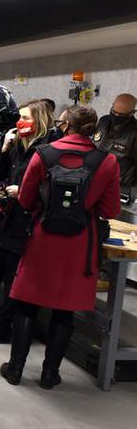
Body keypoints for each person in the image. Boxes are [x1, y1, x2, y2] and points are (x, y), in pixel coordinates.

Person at [1, 106, 120, 389]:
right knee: (65, 310)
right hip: (80, 242)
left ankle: (16, 368)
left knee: (27, 304)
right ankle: (50, 374)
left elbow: (26, 198)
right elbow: (111, 208)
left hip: (42, 237)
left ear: (65, 125)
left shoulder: (44, 154)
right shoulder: (107, 161)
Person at [0, 99, 57, 342]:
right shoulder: (18, 146)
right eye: (20, 117)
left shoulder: (47, 150)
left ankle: (3, 327)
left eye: (27, 118)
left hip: (26, 223)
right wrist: (3, 148)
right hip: (6, 219)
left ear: (40, 121)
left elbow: (49, 188)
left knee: (12, 278)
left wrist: (23, 190)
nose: (21, 122)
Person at [91, 93, 137, 290]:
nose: (116, 116)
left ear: (132, 113)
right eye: (114, 111)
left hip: (119, 187)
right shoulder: (103, 122)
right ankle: (89, 268)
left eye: (121, 114)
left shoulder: (135, 132)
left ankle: (106, 276)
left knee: (110, 231)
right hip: (93, 182)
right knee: (91, 228)